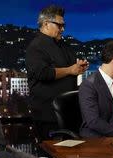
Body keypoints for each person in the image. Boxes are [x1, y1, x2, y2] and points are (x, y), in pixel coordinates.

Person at [26, 4, 89, 140]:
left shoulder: (63, 45)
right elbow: (43, 73)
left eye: (63, 25)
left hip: (70, 113)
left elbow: (72, 69)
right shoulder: (35, 47)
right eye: (59, 25)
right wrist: (71, 70)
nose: (63, 29)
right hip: (48, 115)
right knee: (53, 156)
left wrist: (79, 67)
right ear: (46, 24)